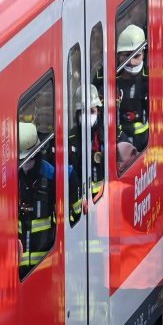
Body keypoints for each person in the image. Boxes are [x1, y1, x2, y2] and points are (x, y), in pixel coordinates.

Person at [17, 121, 55, 277]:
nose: (24, 165)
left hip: (46, 263)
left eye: (28, 160)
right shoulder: (8, 178)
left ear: (36, 154)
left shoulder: (51, 176)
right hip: (17, 269)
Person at [68, 85, 105, 223]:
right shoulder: (69, 140)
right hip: (79, 213)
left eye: (92, 111)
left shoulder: (107, 135)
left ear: (99, 112)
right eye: (83, 111)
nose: (88, 116)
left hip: (103, 203)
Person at [116, 24, 149, 152]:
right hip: (117, 140)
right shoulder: (106, 78)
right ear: (118, 55)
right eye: (126, 55)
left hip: (144, 140)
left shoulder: (151, 78)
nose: (131, 61)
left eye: (136, 56)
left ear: (144, 54)